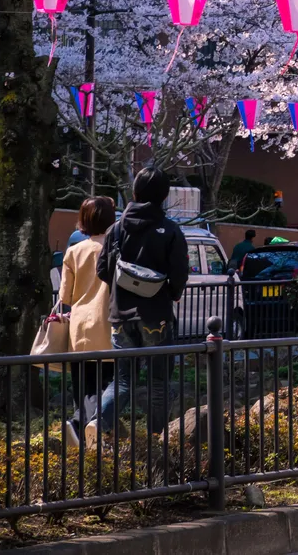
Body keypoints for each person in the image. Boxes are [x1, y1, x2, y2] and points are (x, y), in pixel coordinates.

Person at [95, 169, 190, 440]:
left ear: (134, 192)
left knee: (123, 380)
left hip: (120, 316)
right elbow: (180, 272)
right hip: (156, 316)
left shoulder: (115, 229)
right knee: (158, 382)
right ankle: (156, 436)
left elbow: (102, 270)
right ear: (163, 196)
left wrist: (122, 288)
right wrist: (171, 292)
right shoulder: (170, 230)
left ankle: (99, 426)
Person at [57, 196, 116, 449]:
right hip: (108, 322)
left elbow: (65, 297)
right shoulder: (117, 249)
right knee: (107, 381)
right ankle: (92, 425)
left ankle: (78, 425)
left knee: (82, 382)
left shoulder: (74, 251)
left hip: (79, 326)